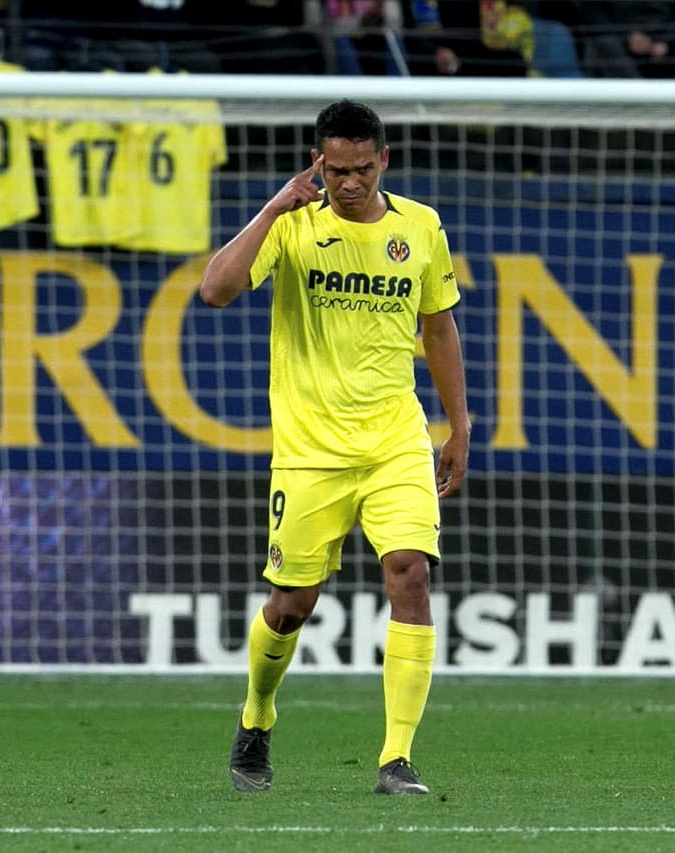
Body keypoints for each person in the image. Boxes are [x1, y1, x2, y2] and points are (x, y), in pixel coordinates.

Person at [199, 99, 470, 795]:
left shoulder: (421, 228)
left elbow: (438, 328)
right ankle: (257, 715)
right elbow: (214, 291)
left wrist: (458, 423)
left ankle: (397, 759)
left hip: (395, 440)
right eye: (336, 169)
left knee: (410, 571)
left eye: (361, 169)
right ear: (318, 161)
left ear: (384, 161)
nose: (349, 183)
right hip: (310, 449)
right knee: (292, 602)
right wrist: (271, 209)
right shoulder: (293, 226)